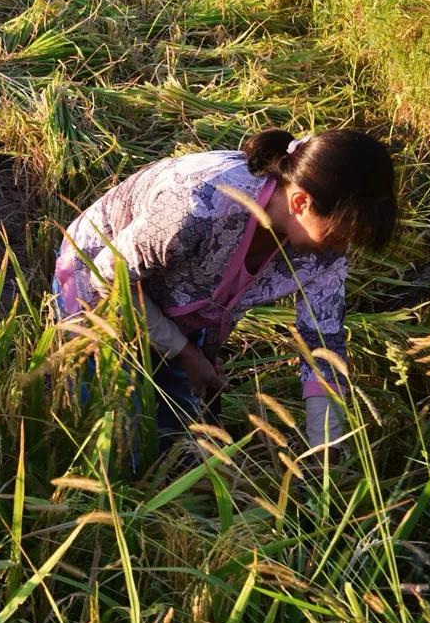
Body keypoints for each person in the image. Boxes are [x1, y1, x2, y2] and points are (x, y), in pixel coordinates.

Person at [53, 129, 397, 460]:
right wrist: (187, 353)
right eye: (340, 234)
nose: (343, 247)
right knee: (119, 441)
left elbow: (323, 346)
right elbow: (107, 275)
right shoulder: (201, 204)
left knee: (174, 442)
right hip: (98, 287)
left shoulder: (326, 252)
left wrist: (327, 448)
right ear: (301, 201)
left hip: (178, 306)